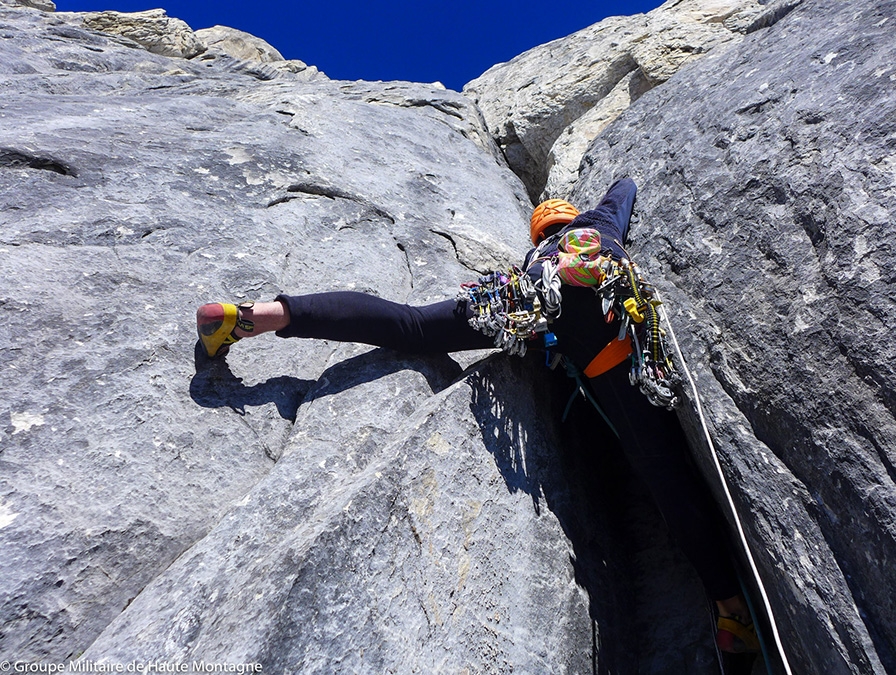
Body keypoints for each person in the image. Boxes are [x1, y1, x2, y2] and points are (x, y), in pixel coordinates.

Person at [196, 177, 760, 655]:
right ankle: (731, 609)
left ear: (537, 235)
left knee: (412, 327)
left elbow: (422, 325)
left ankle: (252, 317)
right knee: (662, 471)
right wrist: (610, 198)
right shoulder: (600, 223)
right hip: (602, 294)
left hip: (528, 295)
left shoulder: (534, 255)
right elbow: (626, 190)